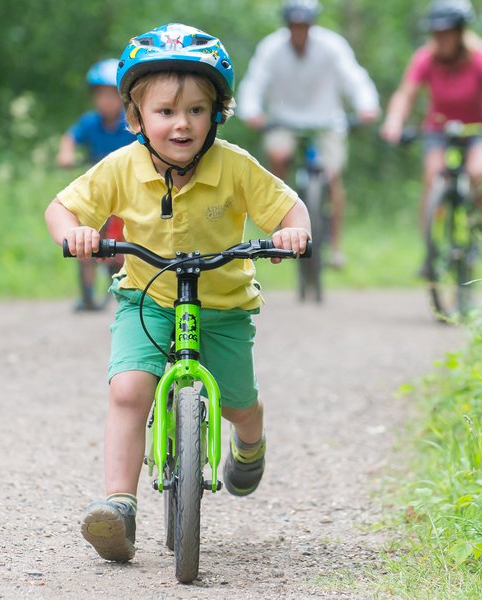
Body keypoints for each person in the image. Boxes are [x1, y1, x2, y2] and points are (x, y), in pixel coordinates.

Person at [44, 23, 312, 563]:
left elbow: (289, 208)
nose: (181, 123)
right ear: (136, 118)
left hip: (224, 305)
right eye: (165, 111)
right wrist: (73, 233)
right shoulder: (121, 166)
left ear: (217, 113)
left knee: (238, 402)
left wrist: (292, 232)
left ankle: (251, 442)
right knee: (128, 391)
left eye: (196, 109)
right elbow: (62, 207)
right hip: (145, 299)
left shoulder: (234, 166)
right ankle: (118, 507)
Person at [236, 0, 379, 269]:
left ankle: (336, 247)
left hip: (327, 121)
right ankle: (281, 229)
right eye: (294, 25)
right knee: (279, 156)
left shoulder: (331, 45)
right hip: (284, 121)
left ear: (311, 25)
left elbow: (354, 78)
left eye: (304, 25)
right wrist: (251, 111)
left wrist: (367, 106)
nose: (299, 30)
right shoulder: (271, 48)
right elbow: (255, 82)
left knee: (333, 177)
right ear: (287, 25)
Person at [379, 0, 482, 233]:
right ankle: (431, 245)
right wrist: (394, 120)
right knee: (432, 176)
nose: (442, 38)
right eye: (437, 33)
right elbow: (405, 94)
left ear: (460, 32)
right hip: (439, 130)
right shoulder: (425, 58)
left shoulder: (480, 56)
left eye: (448, 32)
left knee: (479, 173)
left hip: (481, 128)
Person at [57, 58, 136, 312]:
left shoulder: (131, 123)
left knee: (119, 242)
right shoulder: (90, 122)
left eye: (112, 95)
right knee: (85, 238)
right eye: (100, 95)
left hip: (127, 191)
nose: (106, 101)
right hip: (98, 192)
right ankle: (88, 294)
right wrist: (66, 154)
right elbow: (70, 138)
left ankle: (121, 282)